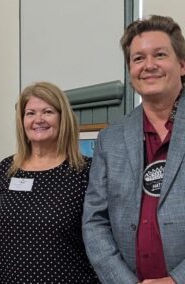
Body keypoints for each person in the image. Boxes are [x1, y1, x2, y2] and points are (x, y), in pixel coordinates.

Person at [82, 15, 185, 284]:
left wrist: (177, 279)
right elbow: (95, 221)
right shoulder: (110, 139)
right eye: (138, 58)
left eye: (159, 55)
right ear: (130, 71)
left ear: (182, 65)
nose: (148, 65)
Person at [0, 82, 99, 283]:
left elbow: (101, 239)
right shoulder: (4, 171)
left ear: (63, 118)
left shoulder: (86, 172)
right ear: (22, 121)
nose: (38, 119)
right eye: (30, 113)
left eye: (48, 111)